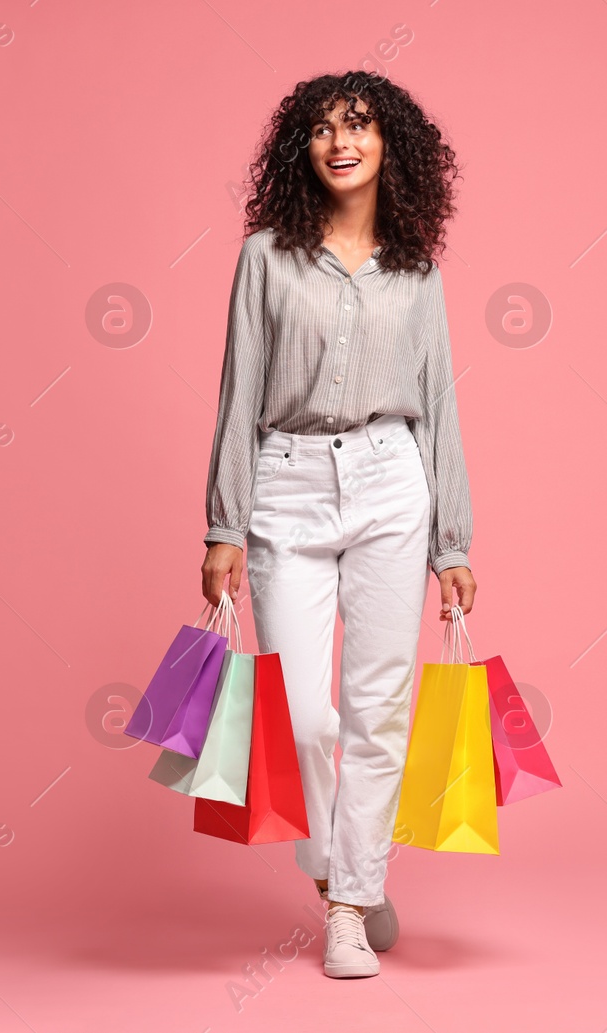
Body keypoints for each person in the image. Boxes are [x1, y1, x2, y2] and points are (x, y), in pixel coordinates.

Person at [199, 71, 476, 980]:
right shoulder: (266, 256)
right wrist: (223, 526)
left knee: (379, 710)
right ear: (301, 151)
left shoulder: (418, 269)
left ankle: (350, 905)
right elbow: (239, 393)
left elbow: (438, 404)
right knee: (309, 718)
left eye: (358, 125)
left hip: (395, 480)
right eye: (320, 129)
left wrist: (454, 543)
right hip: (286, 484)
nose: (340, 141)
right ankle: (340, 871)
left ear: (391, 143)